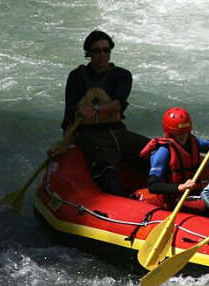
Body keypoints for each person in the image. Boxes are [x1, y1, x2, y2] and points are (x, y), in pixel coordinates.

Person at [50, 30, 150, 196]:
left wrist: (95, 109)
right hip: (89, 134)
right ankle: (118, 201)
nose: (102, 55)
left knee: (157, 152)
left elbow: (118, 104)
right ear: (88, 53)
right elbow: (69, 114)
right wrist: (65, 142)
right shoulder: (76, 77)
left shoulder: (122, 75)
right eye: (97, 51)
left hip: (117, 130)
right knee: (106, 167)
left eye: (106, 50)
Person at [138, 107, 209, 210]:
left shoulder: (193, 141)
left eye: (185, 132)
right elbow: (153, 186)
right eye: (178, 133)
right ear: (169, 132)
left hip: (193, 194)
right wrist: (180, 187)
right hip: (174, 199)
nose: (183, 136)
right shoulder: (163, 151)